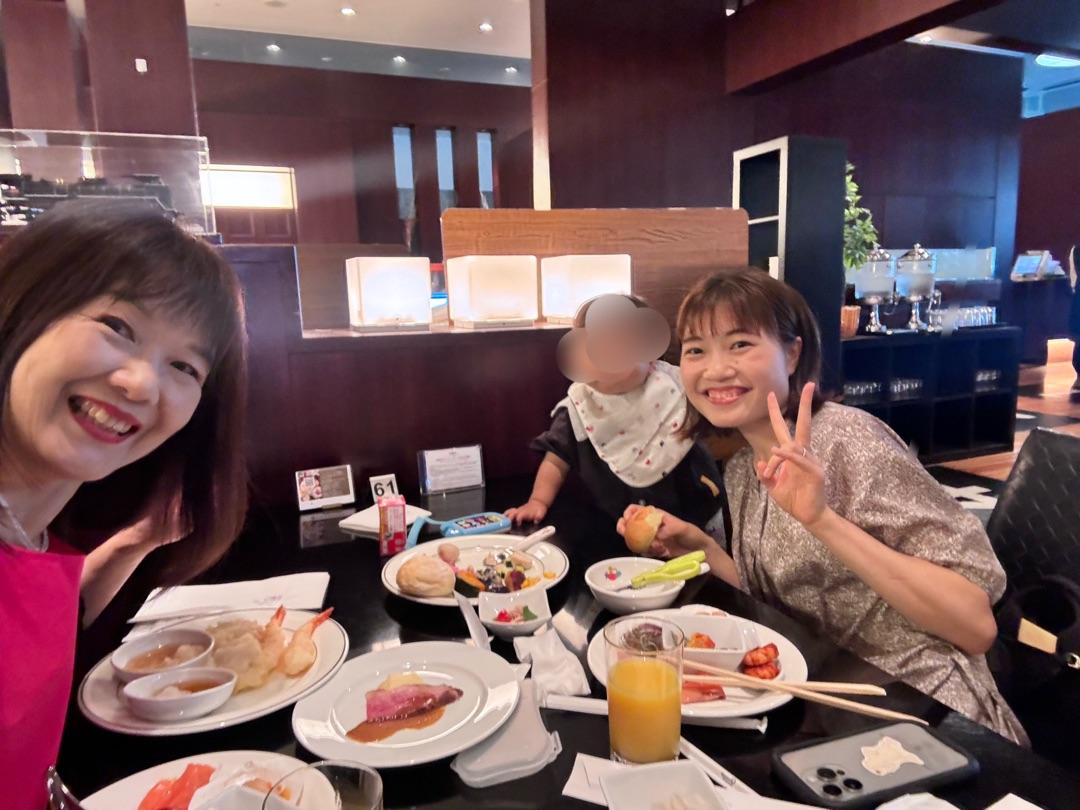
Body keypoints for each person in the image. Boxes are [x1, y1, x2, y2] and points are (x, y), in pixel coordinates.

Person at [617, 267, 1027, 744]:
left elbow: (975, 627)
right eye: (695, 350)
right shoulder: (744, 467)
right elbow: (774, 597)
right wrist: (702, 547)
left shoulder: (848, 440)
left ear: (792, 354)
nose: (716, 369)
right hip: (823, 695)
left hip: (922, 706)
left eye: (740, 344)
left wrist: (821, 519)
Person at [0, 202, 249, 809]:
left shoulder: (29, 531)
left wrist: (136, 542)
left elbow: (32, 623)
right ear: (23, 307)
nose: (140, 383)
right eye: (118, 326)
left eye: (184, 366)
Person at [506, 294, 723, 529]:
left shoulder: (675, 385)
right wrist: (538, 501)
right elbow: (556, 460)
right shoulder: (579, 407)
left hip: (699, 516)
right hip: (621, 526)